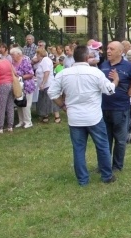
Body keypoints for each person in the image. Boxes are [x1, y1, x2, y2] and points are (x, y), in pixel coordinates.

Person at [49, 45, 119, 186]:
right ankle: (107, 176)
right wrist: (116, 80)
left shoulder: (64, 73)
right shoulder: (95, 73)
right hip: (94, 117)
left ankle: (83, 180)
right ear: (87, 58)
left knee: (79, 149)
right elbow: (109, 90)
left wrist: (63, 106)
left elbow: (52, 92)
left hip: (75, 117)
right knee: (102, 146)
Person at [99, 41, 131, 172]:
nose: (108, 51)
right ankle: (104, 165)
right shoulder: (103, 65)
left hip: (120, 107)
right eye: (107, 48)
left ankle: (117, 166)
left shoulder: (128, 66)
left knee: (120, 140)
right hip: (103, 107)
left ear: (121, 52)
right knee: (105, 139)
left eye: (112, 49)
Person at [0, 43, 17, 133]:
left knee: (1, 107)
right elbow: (14, 72)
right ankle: (10, 126)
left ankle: (0, 127)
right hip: (11, 83)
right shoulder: (7, 61)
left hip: (2, 85)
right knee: (10, 106)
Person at [11, 48, 36, 129]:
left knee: (26, 104)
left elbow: (31, 74)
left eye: (13, 54)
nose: (12, 56)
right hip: (17, 86)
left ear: (18, 54)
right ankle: (21, 121)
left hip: (27, 85)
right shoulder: (13, 63)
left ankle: (28, 121)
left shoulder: (25, 61)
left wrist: (21, 77)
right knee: (19, 104)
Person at [34, 48, 60, 123]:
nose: (36, 56)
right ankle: (45, 115)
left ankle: (56, 116)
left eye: (37, 54)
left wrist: (43, 83)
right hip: (44, 84)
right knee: (44, 100)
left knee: (51, 100)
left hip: (47, 84)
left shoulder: (45, 60)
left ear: (40, 54)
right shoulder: (42, 61)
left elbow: (47, 72)